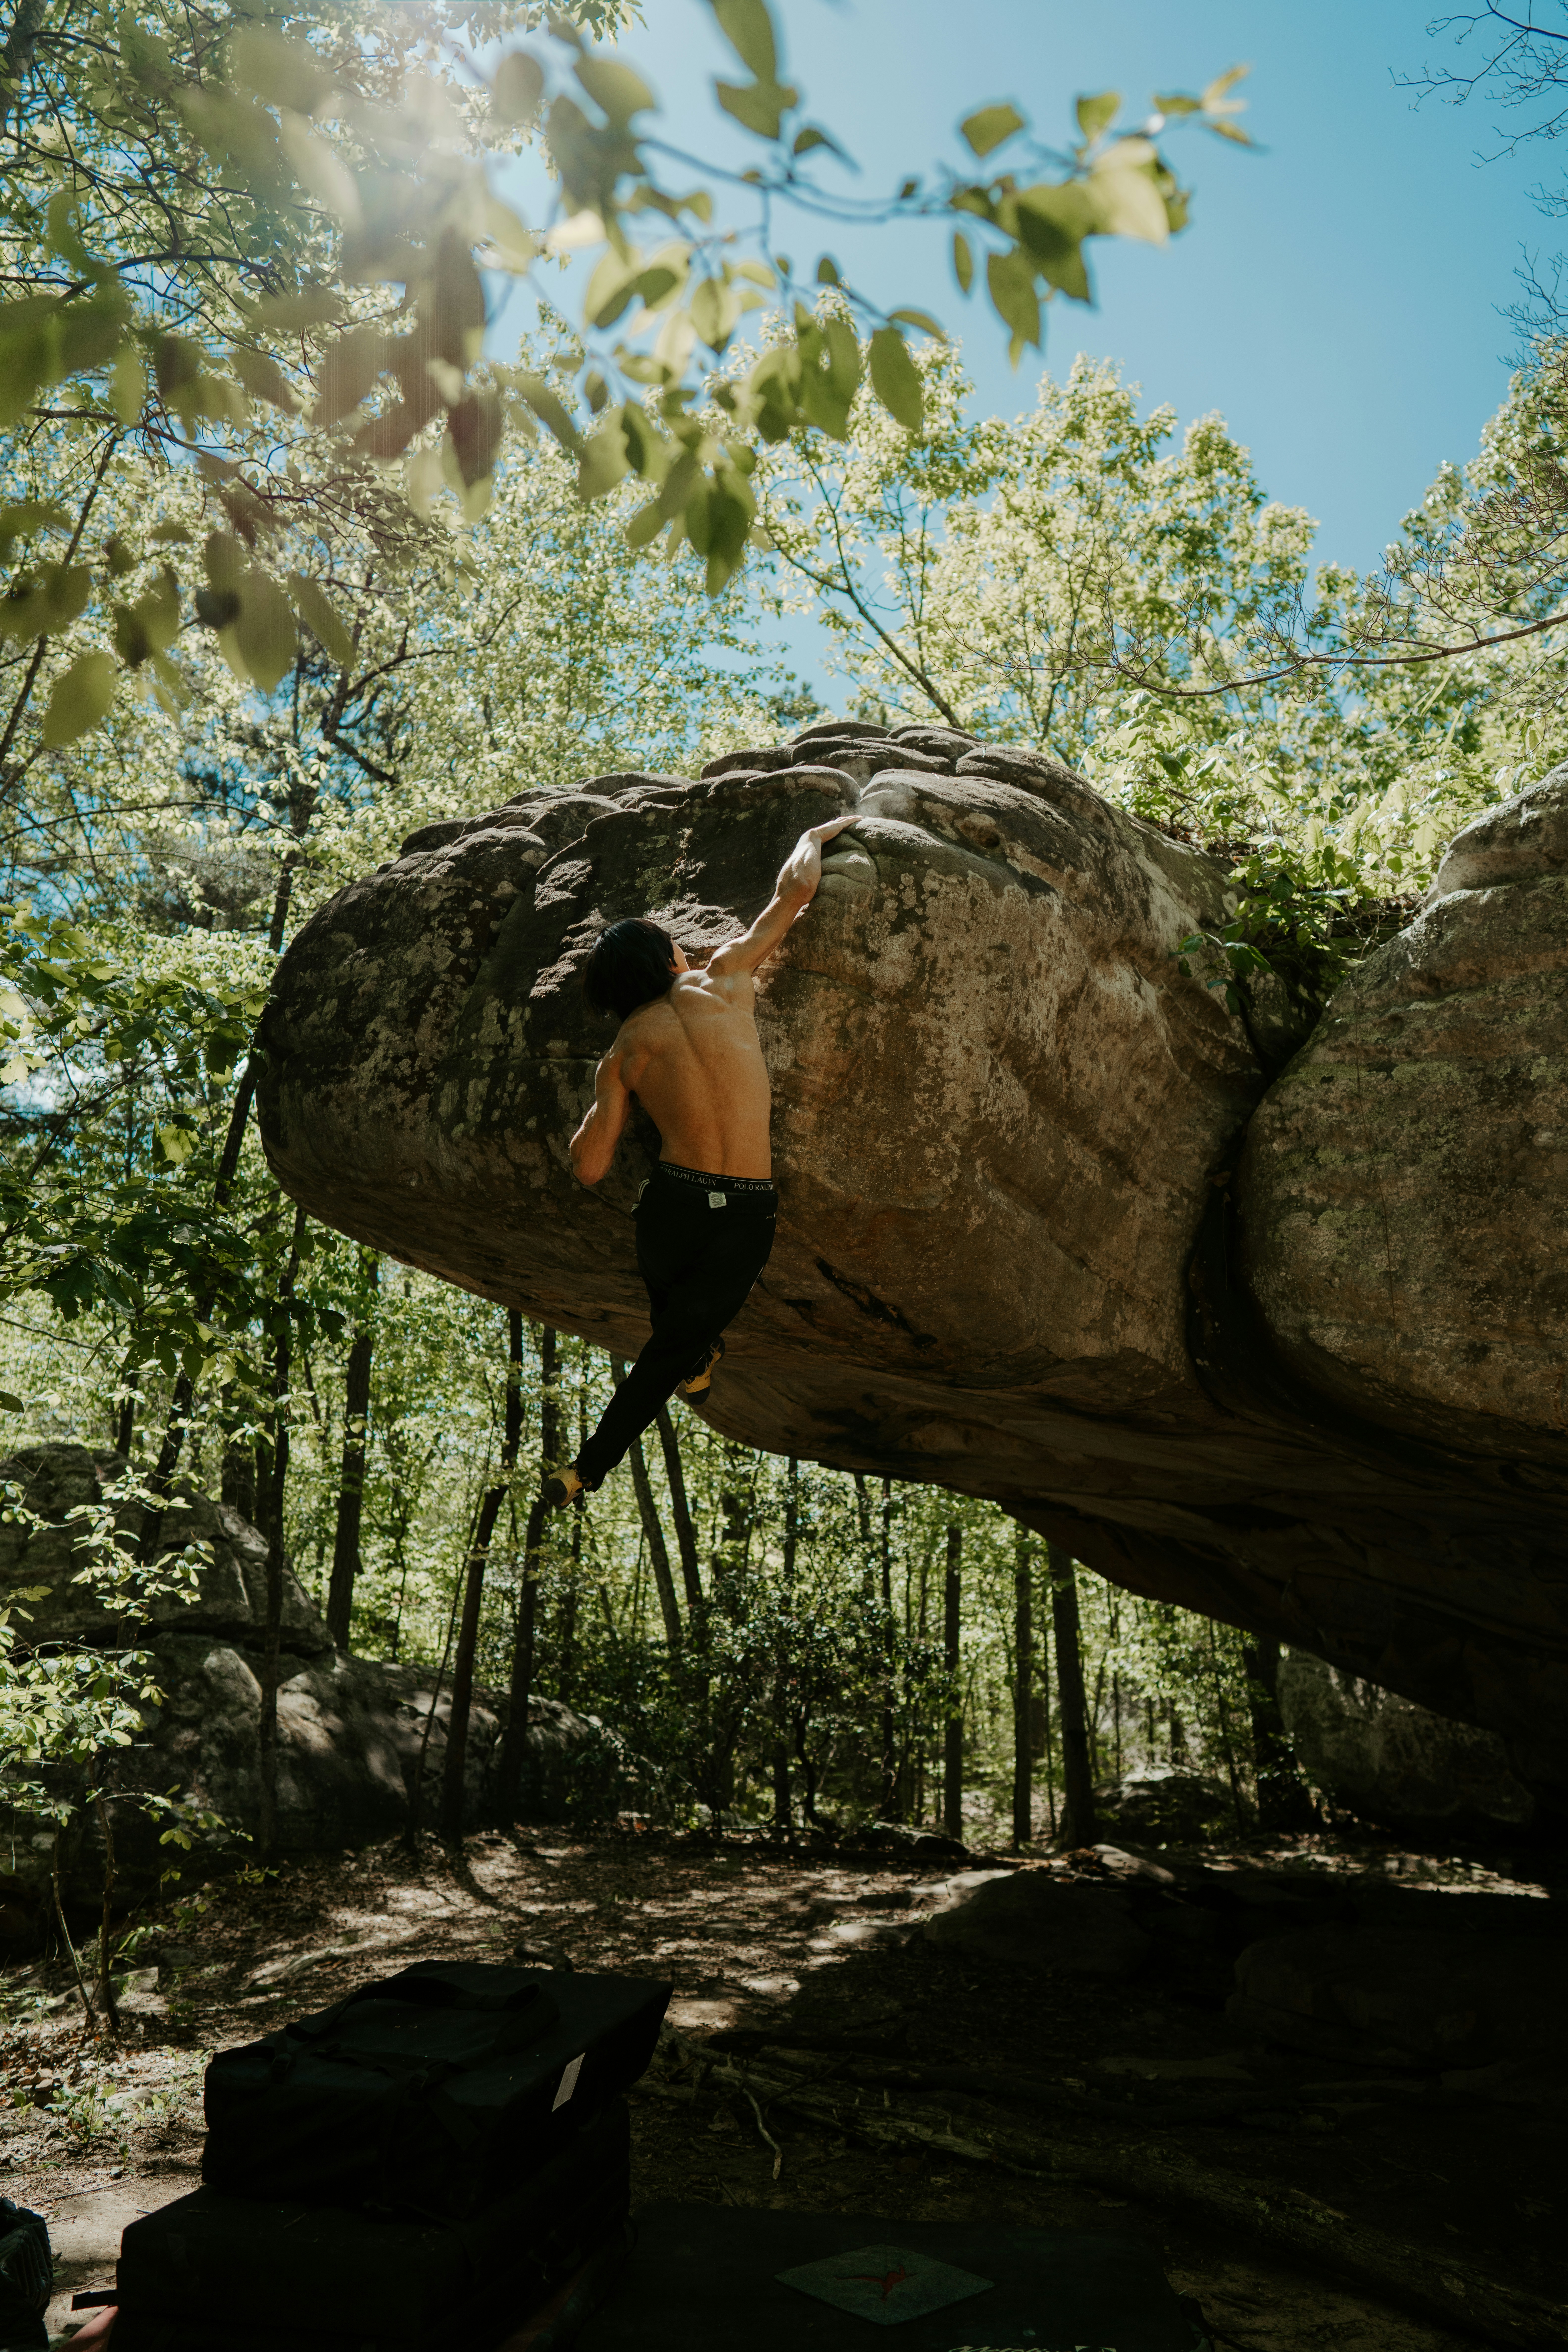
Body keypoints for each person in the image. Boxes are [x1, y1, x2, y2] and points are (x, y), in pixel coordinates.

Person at [543, 813, 859, 1508]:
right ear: (668, 959)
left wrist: (593, 1113)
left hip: (674, 1209)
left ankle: (652, 1404)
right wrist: (816, 833)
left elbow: (590, 1167)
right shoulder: (725, 977)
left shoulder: (623, 1051)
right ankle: (605, 1450)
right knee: (675, 1342)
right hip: (743, 1211)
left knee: (675, 1333)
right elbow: (793, 894)